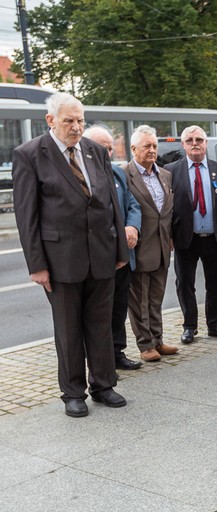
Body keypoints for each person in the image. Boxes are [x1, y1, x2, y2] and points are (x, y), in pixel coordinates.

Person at [13, 93, 129, 418]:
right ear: (50, 121)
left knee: (101, 325)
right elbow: (27, 216)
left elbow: (111, 205)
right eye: (69, 121)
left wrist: (120, 248)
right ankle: (73, 392)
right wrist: (37, 265)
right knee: (68, 329)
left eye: (80, 120)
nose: (77, 127)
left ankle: (104, 385)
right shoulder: (30, 155)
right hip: (59, 260)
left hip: (102, 256)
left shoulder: (95, 151)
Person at [165, 126, 217, 344]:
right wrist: (167, 235)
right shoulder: (170, 171)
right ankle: (189, 327)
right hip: (185, 237)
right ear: (183, 144)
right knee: (185, 283)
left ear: (206, 143)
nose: (194, 143)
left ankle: (214, 325)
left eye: (199, 139)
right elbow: (165, 208)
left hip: (215, 237)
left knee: (216, 284)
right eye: (189, 140)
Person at [81, 126, 143, 370]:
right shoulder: (81, 175)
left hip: (122, 256)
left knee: (119, 308)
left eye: (109, 147)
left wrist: (132, 227)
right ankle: (98, 358)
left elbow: (133, 204)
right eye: (102, 147)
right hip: (97, 258)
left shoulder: (117, 174)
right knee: (98, 312)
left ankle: (117, 352)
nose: (107, 152)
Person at [124, 125, 179, 362]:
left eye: (155, 146)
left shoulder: (165, 175)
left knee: (156, 298)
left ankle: (158, 339)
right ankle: (145, 344)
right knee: (138, 301)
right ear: (133, 148)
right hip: (138, 247)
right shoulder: (125, 175)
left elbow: (167, 212)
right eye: (147, 146)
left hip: (162, 247)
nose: (152, 150)